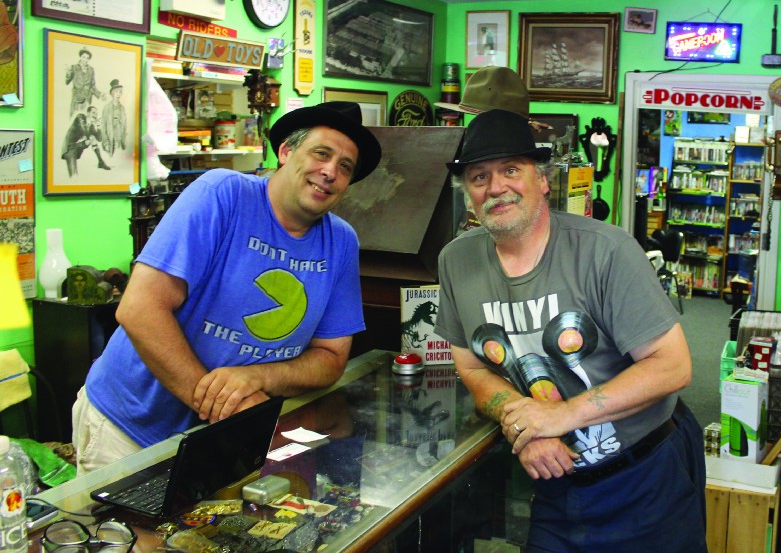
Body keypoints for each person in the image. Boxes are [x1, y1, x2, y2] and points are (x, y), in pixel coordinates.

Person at [433, 105, 706, 552]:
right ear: (468, 192)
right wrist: (522, 426)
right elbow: (472, 368)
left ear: (541, 179)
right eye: (479, 177)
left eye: (511, 170)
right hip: (553, 489)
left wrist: (560, 416)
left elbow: (672, 367)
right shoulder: (456, 260)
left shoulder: (606, 250)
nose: (495, 186)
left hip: (646, 475)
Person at [72, 102, 382, 474]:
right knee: (135, 535)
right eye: (321, 153)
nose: (330, 171)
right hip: (130, 429)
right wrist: (226, 406)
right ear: (285, 151)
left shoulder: (341, 242)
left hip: (226, 440)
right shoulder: (223, 194)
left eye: (345, 167)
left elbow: (331, 358)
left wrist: (257, 378)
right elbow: (139, 309)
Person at [61, 106, 109, 176]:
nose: (95, 115)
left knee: (92, 138)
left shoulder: (91, 126)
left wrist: (99, 127)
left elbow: (99, 139)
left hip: (78, 148)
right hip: (69, 149)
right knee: (73, 176)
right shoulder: (80, 117)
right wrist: (89, 137)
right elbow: (84, 130)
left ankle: (101, 162)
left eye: (96, 113)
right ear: (88, 113)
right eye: (93, 113)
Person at [65, 47, 102, 118]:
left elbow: (92, 86)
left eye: (87, 58)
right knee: (75, 120)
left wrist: (100, 95)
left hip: (87, 100)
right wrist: (68, 72)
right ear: (80, 57)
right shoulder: (74, 67)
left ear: (89, 59)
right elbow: (67, 81)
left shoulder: (91, 70)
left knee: (86, 121)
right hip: (77, 100)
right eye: (84, 57)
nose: (85, 60)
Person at [101, 79, 127, 155]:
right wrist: (105, 142)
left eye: (120, 92)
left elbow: (124, 126)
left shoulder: (122, 108)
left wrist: (123, 140)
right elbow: (103, 126)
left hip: (120, 142)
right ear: (112, 93)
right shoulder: (107, 108)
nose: (118, 94)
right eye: (116, 92)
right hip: (110, 142)